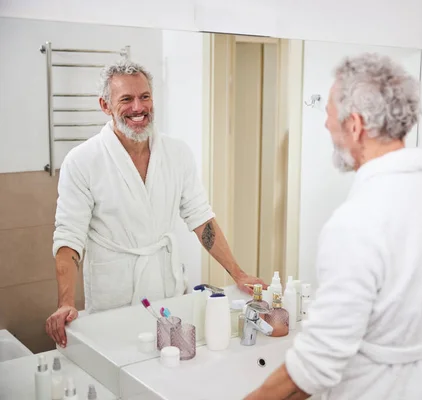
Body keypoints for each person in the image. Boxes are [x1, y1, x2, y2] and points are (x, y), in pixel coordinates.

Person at [245, 53, 422, 400]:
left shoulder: (357, 222)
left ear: (355, 125)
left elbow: (313, 369)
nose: (325, 126)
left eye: (329, 117)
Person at [46, 60, 265, 347]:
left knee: (171, 360)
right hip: (114, 293)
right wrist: (65, 302)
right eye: (126, 99)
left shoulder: (177, 153)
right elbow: (69, 238)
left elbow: (201, 219)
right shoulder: (82, 161)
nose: (138, 107)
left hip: (166, 288)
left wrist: (238, 273)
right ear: (105, 105)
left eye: (145, 96)